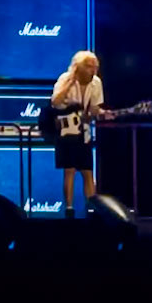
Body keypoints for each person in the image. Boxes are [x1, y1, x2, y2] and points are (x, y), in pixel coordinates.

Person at [50, 50, 103, 215]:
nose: (92, 70)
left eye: (95, 67)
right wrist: (71, 81)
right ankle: (69, 209)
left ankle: (92, 209)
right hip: (66, 130)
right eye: (89, 66)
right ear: (79, 67)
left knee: (88, 171)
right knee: (69, 170)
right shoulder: (65, 79)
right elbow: (55, 102)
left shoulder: (96, 83)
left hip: (83, 130)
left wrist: (100, 113)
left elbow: (94, 108)